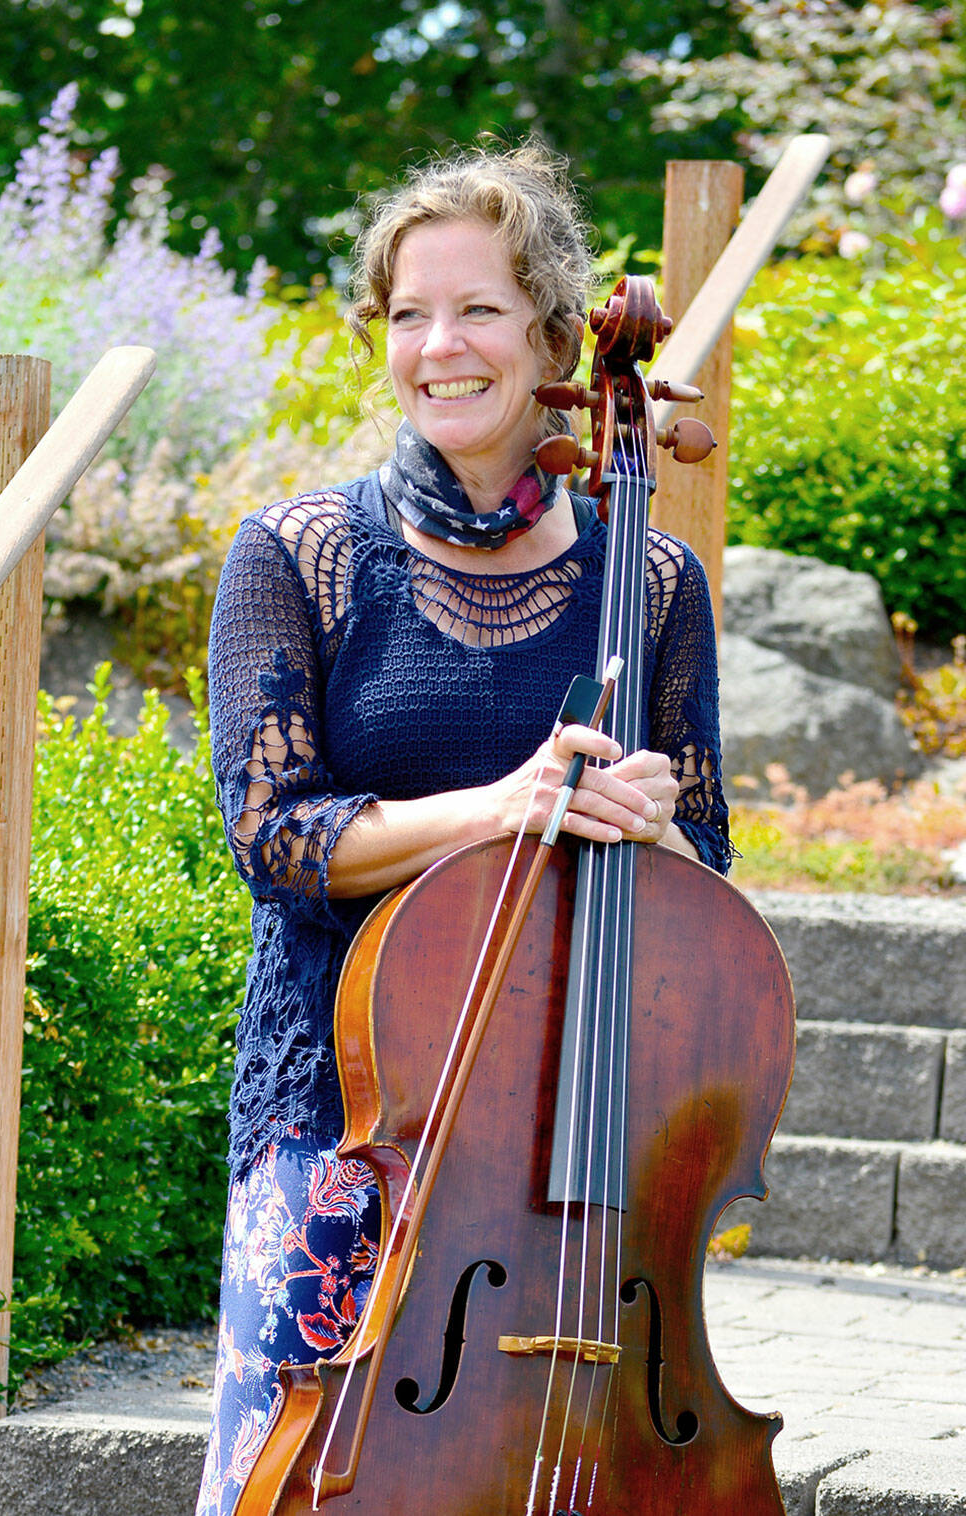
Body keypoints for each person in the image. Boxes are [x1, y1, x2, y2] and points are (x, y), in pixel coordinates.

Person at [195, 142, 730, 1516]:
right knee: (299, 1483)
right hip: (349, 1129)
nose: (440, 345)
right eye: (408, 313)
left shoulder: (652, 578)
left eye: (480, 309)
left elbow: (708, 868)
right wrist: (502, 809)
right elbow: (275, 834)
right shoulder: (298, 552)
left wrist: (654, 824)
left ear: (556, 334)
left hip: (581, 1153)